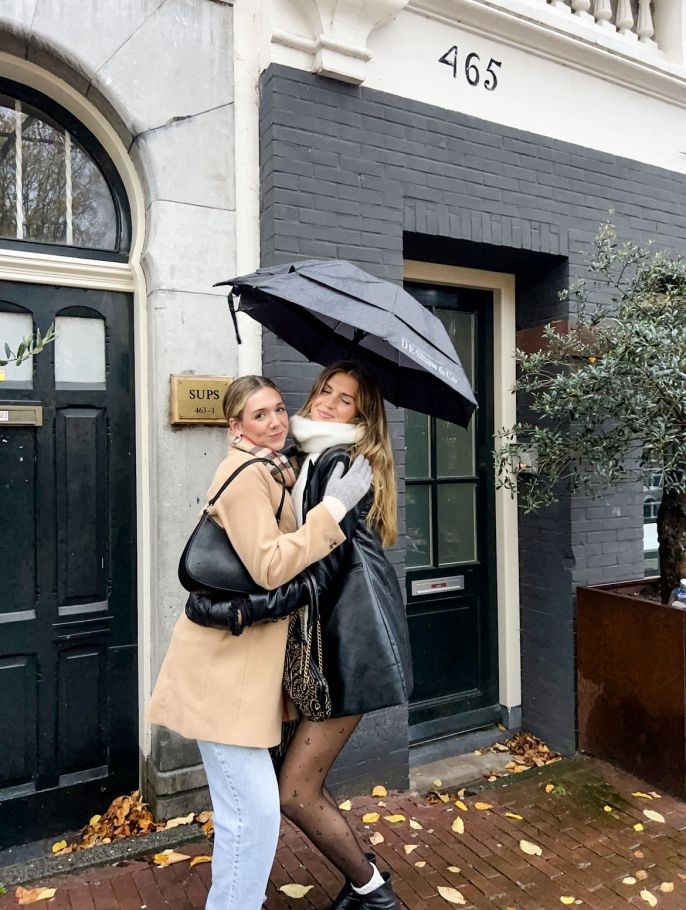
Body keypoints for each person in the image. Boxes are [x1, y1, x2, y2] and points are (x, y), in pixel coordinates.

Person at [146, 374, 372, 910]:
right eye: (258, 415)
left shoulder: (276, 470)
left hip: (237, 675)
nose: (273, 422)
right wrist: (333, 510)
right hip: (221, 677)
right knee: (255, 815)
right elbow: (270, 567)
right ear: (235, 427)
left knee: (242, 815)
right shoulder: (248, 476)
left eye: (276, 409)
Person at [267, 361, 413, 910]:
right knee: (301, 779)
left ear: (362, 415)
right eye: (325, 391)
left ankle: (374, 894)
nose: (327, 403)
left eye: (345, 399)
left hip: (349, 649)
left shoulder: (337, 462)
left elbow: (324, 560)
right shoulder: (313, 459)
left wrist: (262, 605)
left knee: (295, 789)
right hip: (339, 644)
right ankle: (364, 879)